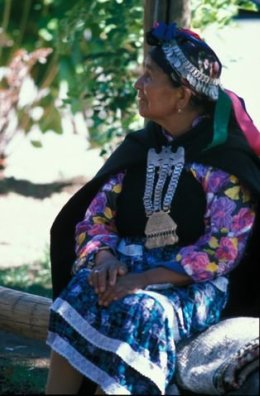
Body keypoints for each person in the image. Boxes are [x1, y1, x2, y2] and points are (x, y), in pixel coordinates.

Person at [45, 22, 260, 395]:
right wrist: (105, 261)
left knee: (144, 310)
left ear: (182, 93)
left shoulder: (222, 161)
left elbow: (220, 251)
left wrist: (142, 280)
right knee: (83, 290)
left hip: (193, 284)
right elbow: (96, 217)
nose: (137, 85)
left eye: (148, 76)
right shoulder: (139, 148)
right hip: (127, 266)